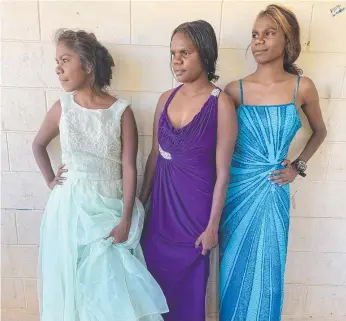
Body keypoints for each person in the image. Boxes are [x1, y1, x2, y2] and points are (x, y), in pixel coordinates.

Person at [32, 29, 168, 321]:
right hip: (69, 208)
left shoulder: (121, 111)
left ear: (88, 65)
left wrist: (126, 218)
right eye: (57, 61)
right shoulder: (62, 108)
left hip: (109, 206)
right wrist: (50, 181)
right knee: (72, 281)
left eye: (65, 60)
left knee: (109, 283)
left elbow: (129, 168)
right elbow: (38, 145)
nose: (58, 68)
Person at [219, 5, 327, 321]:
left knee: (268, 275)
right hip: (237, 193)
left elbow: (320, 131)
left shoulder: (301, 87)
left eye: (269, 33)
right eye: (255, 35)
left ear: (287, 39)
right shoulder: (234, 90)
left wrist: (298, 166)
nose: (259, 41)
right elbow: (220, 148)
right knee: (233, 272)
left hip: (273, 192)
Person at [139, 20, 238, 321]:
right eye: (172, 53)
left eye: (185, 52)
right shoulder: (164, 99)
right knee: (152, 292)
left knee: (189, 297)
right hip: (160, 214)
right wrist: (141, 207)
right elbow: (155, 154)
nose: (176, 61)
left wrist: (211, 228)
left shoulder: (221, 104)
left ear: (205, 54)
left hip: (195, 218)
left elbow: (223, 171)